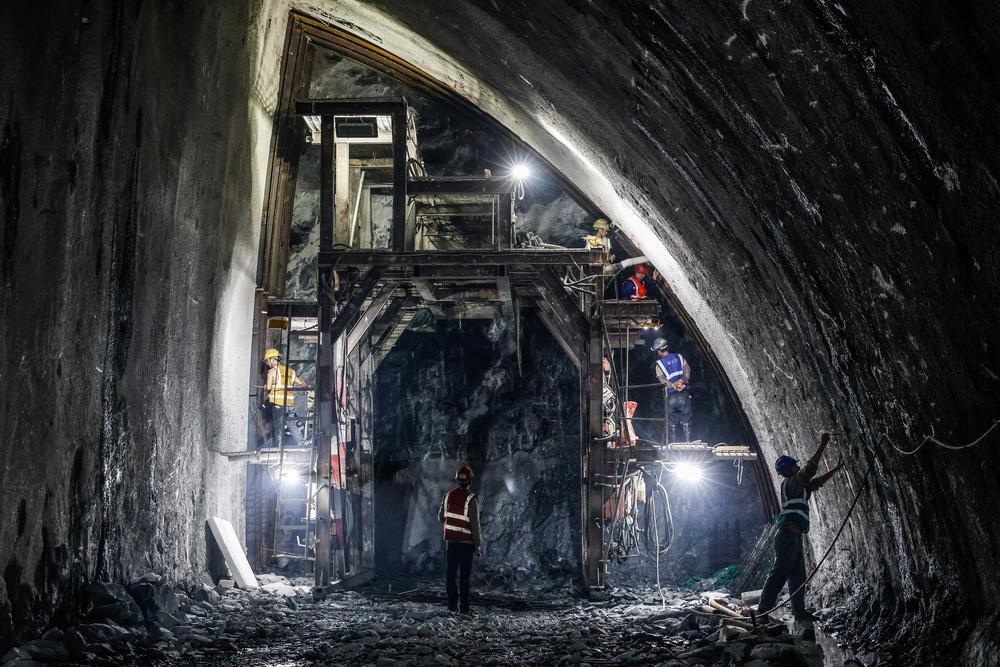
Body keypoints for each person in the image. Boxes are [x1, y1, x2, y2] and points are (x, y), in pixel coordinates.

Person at [755, 433, 844, 623]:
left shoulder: (798, 486)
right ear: (788, 470)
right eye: (794, 465)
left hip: (793, 536)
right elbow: (809, 470)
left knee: (797, 576)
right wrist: (822, 444)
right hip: (787, 535)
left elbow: (816, 482)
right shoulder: (791, 482)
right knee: (780, 573)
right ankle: (763, 610)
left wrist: (835, 469)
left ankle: (799, 613)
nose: (798, 467)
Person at [438, 464, 482, 614]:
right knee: (464, 577)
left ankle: (452, 607)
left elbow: (440, 517)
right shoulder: (471, 499)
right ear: (470, 481)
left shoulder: (448, 496)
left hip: (451, 543)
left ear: (457, 480)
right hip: (466, 544)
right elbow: (475, 524)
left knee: (450, 576)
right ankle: (464, 609)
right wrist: (478, 545)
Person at [262, 348, 310, 448]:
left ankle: (278, 448)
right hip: (289, 404)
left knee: (278, 427)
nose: (267, 363)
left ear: (272, 359)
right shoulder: (290, 371)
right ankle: (301, 443)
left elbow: (269, 387)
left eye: (267, 361)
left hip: (278, 404)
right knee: (292, 424)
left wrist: (266, 386)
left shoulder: (272, 372)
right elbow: (302, 383)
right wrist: (309, 387)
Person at [652, 338, 691, 443]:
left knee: (672, 420)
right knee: (686, 419)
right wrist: (681, 381)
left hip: (671, 395)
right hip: (684, 393)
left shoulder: (659, 364)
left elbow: (662, 379)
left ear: (659, 351)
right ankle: (688, 442)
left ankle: (673, 443)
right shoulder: (679, 357)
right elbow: (687, 370)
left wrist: (672, 385)